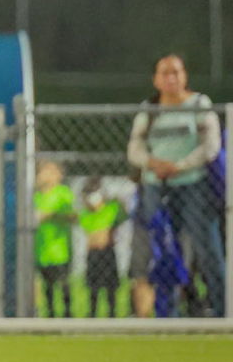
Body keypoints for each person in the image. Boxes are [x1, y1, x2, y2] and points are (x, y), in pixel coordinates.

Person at [126, 54, 224, 318]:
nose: (171, 78)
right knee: (164, 249)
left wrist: (180, 165)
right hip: (157, 186)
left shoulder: (199, 104)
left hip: (193, 186)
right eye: (165, 73)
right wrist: (153, 162)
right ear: (156, 79)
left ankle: (223, 309)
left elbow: (211, 146)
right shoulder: (150, 109)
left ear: (185, 76)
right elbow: (134, 149)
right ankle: (167, 312)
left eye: (176, 72)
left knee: (207, 249)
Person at [33, 160, 76, 318]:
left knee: (64, 284)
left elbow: (72, 216)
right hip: (41, 249)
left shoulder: (63, 193)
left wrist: (52, 215)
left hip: (60, 249)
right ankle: (49, 315)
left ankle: (67, 315)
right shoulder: (36, 196)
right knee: (47, 286)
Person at [78, 177, 124, 318]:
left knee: (111, 288)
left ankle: (112, 314)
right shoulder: (85, 214)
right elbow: (91, 233)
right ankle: (92, 313)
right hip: (93, 253)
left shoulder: (112, 208)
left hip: (107, 252)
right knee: (93, 288)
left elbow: (122, 215)